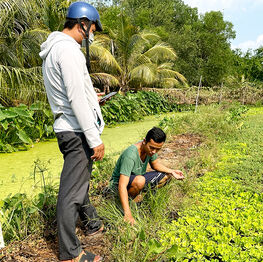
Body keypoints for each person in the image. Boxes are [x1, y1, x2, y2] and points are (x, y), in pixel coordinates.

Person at [39, 2, 106, 262]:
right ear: (83, 24)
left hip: (67, 126)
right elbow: (76, 99)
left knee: (79, 183)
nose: (93, 35)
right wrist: (94, 138)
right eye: (92, 29)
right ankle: (70, 253)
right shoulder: (68, 51)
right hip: (76, 131)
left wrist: (94, 99)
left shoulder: (56, 49)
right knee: (70, 194)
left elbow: (75, 93)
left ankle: (92, 224)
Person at [108, 127, 185, 225]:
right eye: (152, 148)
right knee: (140, 181)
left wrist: (172, 171)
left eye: (158, 149)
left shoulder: (151, 150)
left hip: (138, 178)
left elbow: (155, 165)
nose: (154, 152)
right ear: (144, 141)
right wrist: (128, 215)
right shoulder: (130, 155)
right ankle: (127, 205)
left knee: (167, 175)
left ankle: (140, 198)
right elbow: (122, 185)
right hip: (118, 184)